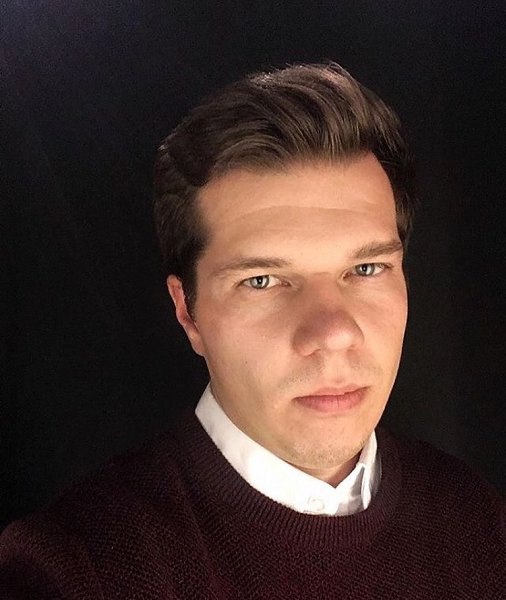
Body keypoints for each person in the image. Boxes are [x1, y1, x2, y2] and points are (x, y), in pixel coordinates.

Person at [0, 62, 503, 599]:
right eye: (261, 280)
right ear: (188, 312)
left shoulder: (475, 519)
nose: (333, 332)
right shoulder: (75, 571)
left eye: (366, 268)